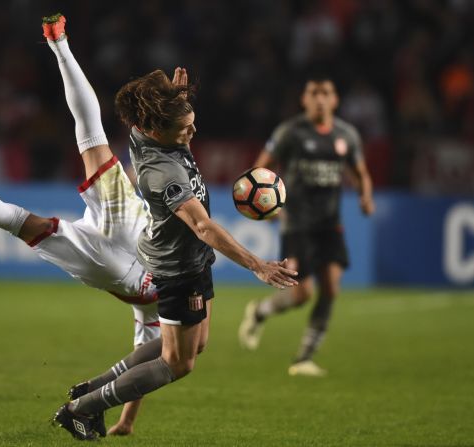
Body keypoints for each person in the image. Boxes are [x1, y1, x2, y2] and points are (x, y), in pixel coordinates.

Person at [0, 12, 162, 435]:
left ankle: (58, 42)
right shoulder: (158, 316)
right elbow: (148, 364)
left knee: (90, 134)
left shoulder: (160, 307)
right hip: (114, 270)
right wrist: (127, 420)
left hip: (128, 237)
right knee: (19, 221)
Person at [49, 18, 299, 443]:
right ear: (155, 132)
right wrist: (258, 266)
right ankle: (81, 408)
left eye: (191, 123)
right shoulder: (163, 174)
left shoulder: (147, 131)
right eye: (184, 129)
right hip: (178, 270)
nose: (193, 132)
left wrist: (176, 97)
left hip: (192, 264)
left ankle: (91, 388)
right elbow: (202, 226)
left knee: (194, 345)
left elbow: (162, 114)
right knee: (178, 363)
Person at [238, 75, 376, 377]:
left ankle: (303, 358)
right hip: (296, 223)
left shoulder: (346, 135)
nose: (319, 99)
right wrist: (270, 207)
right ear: (304, 99)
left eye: (325, 93)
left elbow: (361, 172)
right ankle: (260, 311)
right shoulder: (290, 132)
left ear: (335, 99)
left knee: (330, 288)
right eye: (313, 93)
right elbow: (260, 170)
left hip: (330, 224)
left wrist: (365, 196)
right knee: (301, 294)